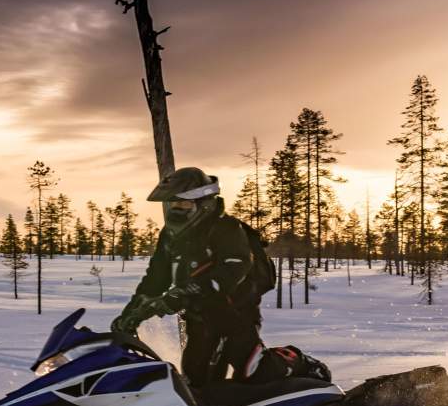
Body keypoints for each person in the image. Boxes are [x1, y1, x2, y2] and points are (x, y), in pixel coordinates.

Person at [111, 167, 331, 389]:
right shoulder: (170, 236)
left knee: (253, 371)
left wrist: (183, 293)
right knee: (196, 382)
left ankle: (298, 361)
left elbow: (235, 267)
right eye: (173, 204)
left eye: (184, 204)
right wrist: (131, 314)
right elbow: (155, 279)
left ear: (203, 203)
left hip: (234, 313)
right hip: (198, 317)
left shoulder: (226, 228)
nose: (176, 209)